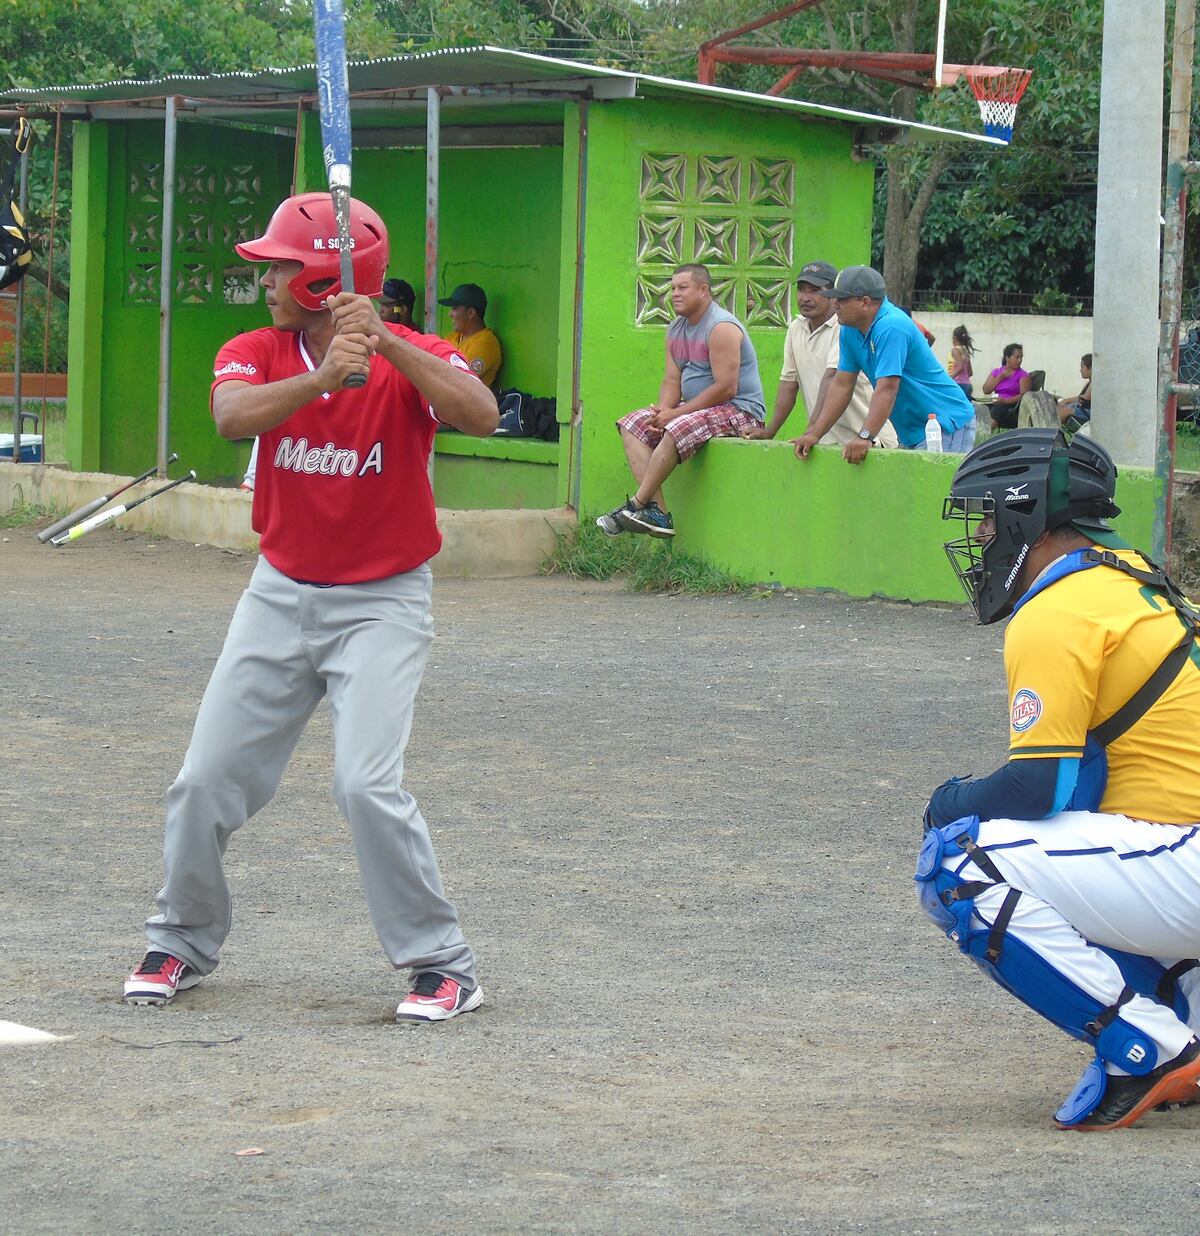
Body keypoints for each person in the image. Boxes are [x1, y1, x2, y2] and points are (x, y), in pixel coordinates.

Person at [122, 192, 499, 1024]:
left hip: (383, 601)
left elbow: (481, 413)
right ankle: (179, 939)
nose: (266, 279)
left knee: (365, 786)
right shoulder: (258, 349)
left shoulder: (416, 356)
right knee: (202, 782)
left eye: (282, 267)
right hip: (280, 593)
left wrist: (388, 343)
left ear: (328, 279)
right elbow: (229, 418)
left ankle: (444, 966)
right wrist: (322, 376)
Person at [918, 428, 1200, 1131]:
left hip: (1186, 858)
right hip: (1179, 856)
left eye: (987, 517)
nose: (981, 536)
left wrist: (947, 802)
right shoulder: (1126, 576)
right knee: (1065, 852)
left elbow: (1036, 789)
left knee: (958, 860)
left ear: (1024, 518)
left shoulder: (1056, 609)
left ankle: (1151, 1050)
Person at [595, 262, 766, 539]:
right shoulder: (675, 329)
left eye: (683, 287)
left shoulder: (721, 327)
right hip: (695, 410)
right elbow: (672, 379)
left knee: (677, 426)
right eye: (673, 288)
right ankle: (658, 512)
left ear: (704, 290)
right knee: (632, 424)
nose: (675, 293)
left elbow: (726, 388)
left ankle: (637, 503)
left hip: (739, 411)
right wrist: (663, 411)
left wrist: (675, 415)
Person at [792, 265, 976, 463]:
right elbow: (842, 385)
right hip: (913, 430)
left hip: (944, 424)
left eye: (842, 299)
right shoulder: (850, 328)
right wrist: (814, 433)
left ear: (865, 302)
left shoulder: (891, 326)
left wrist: (865, 436)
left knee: (933, 493)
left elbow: (887, 388)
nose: (834, 303)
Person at [739, 259, 898, 450]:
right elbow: (789, 384)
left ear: (833, 296)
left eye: (815, 290)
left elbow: (831, 378)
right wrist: (770, 431)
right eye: (802, 289)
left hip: (868, 440)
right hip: (827, 443)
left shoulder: (845, 328)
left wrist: (811, 432)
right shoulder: (795, 328)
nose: (805, 297)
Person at [439, 282, 502, 391]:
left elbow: (457, 380)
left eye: (454, 308)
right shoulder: (453, 337)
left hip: (469, 406)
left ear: (471, 313)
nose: (450, 314)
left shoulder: (486, 342)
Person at [982, 342, 1031, 430]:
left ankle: (986, 434)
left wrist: (1005, 401)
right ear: (1007, 358)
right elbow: (986, 390)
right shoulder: (997, 372)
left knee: (999, 408)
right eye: (1017, 357)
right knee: (980, 409)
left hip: (1012, 407)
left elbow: (1024, 397)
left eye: (1021, 357)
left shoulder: (1023, 375)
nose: (1020, 360)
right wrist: (1000, 378)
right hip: (996, 403)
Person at [1058, 353, 1092, 428]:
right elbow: (1080, 397)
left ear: (1090, 368)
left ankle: (1051, 431)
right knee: (1058, 409)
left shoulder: (1094, 384)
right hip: (1081, 410)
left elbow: (1083, 399)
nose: (1080, 370)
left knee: (1063, 412)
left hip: (1087, 413)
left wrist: (1066, 401)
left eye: (1082, 367)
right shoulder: (1088, 383)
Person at [947, 325, 976, 400]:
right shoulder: (965, 350)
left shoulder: (955, 350)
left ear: (954, 338)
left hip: (958, 384)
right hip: (967, 385)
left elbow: (960, 367)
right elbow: (970, 372)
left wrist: (949, 378)